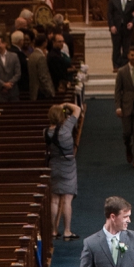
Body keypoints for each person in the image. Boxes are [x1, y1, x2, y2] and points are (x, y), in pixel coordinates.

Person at [44, 100, 81, 243]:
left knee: (54, 200)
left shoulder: (46, 132)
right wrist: (65, 105)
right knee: (67, 200)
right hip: (68, 165)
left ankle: (53, 230)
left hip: (54, 165)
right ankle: (67, 231)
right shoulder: (66, 128)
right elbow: (77, 109)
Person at [0, 33, 22, 106]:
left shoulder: (14, 56)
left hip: (13, 92)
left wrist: (9, 84)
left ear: (4, 44)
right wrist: (3, 85)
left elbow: (18, 73)